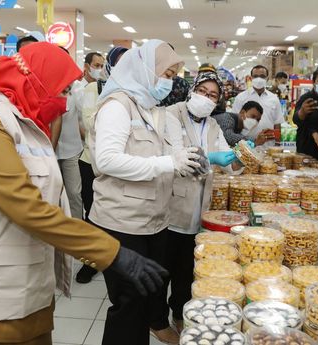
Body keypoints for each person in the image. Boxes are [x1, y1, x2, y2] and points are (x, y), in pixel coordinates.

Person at [0, 41, 167, 345]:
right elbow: (27, 207)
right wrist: (111, 252)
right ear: (35, 81)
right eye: (61, 89)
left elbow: (49, 202)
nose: (65, 99)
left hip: (26, 287)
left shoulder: (29, 124)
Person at [88, 39, 197, 345]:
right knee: (129, 304)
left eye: (174, 75)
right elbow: (107, 160)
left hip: (154, 218)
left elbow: (167, 154)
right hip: (123, 222)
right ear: (145, 69)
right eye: (166, 73)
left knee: (148, 292)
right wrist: (166, 163)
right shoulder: (117, 106)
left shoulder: (151, 106)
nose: (171, 81)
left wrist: (185, 161)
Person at [164, 72, 240, 333]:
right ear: (193, 90)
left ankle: (180, 314)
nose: (207, 98)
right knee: (164, 266)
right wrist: (212, 157)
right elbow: (176, 155)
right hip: (171, 205)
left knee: (186, 267)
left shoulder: (213, 125)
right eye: (203, 92)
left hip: (199, 208)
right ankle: (156, 319)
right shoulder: (173, 114)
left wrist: (241, 155)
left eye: (213, 95)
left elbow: (230, 166)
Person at [76, 47, 126, 284]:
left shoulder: (139, 93)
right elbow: (89, 123)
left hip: (125, 166)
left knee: (120, 214)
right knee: (94, 214)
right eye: (118, 62)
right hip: (93, 162)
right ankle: (92, 261)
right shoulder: (93, 88)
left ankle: (117, 258)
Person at [55, 52, 105, 222]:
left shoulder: (76, 88)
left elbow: (84, 120)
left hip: (72, 150)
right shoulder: (43, 85)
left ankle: (76, 229)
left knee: (75, 194)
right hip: (49, 150)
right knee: (52, 193)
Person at [231, 65, 284, 145]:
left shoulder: (274, 99)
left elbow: (277, 124)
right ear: (251, 78)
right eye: (255, 76)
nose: (259, 79)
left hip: (268, 145)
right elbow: (234, 123)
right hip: (247, 145)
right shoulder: (241, 98)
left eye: (262, 76)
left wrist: (277, 143)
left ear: (267, 79)